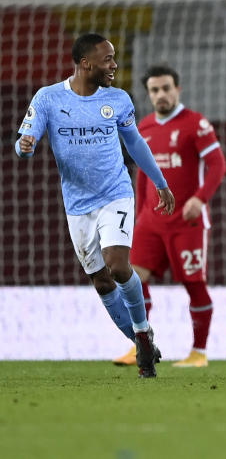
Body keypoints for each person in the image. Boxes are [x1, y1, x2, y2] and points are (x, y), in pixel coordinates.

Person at [15, 33, 175, 378]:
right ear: (85, 64)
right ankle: (143, 343)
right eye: (107, 60)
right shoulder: (48, 98)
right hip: (77, 205)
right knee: (102, 282)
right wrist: (25, 147)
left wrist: (160, 182)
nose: (114, 65)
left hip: (115, 194)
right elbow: (24, 143)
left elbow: (135, 144)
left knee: (118, 266)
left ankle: (142, 331)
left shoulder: (117, 100)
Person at [112, 65, 226, 368]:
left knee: (193, 283)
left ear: (178, 89)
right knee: (133, 277)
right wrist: (139, 214)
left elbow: (218, 166)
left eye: (166, 88)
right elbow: (142, 175)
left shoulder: (196, 124)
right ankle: (142, 343)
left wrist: (199, 200)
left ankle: (198, 353)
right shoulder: (145, 127)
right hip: (151, 221)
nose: (161, 94)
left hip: (186, 222)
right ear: (148, 94)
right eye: (154, 90)